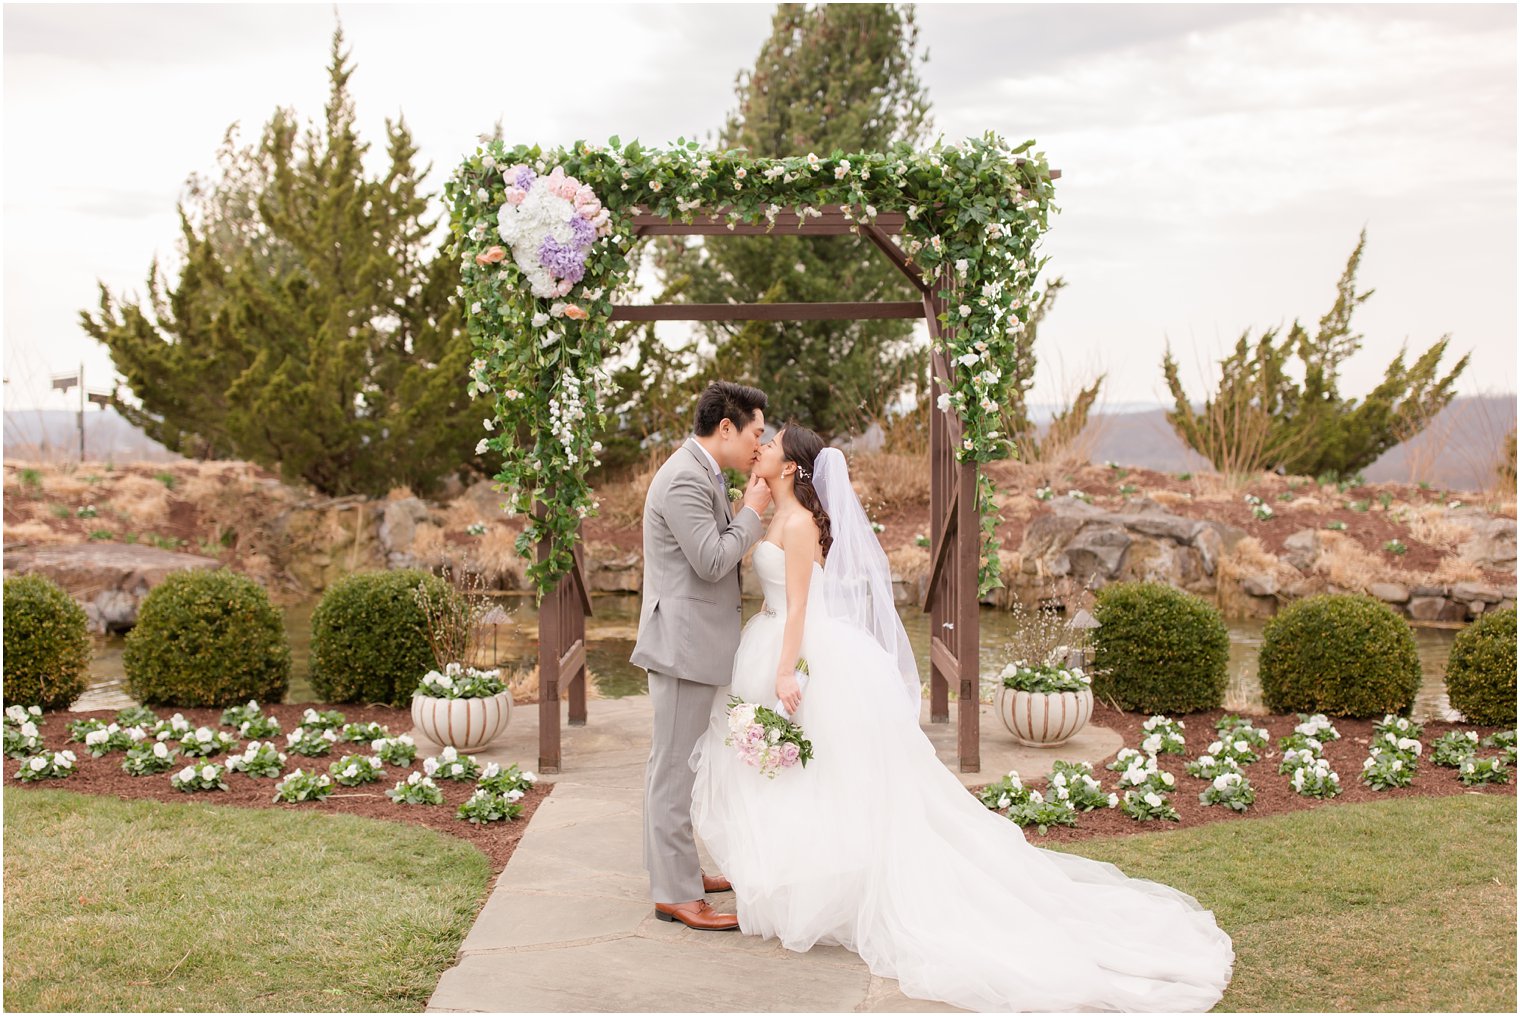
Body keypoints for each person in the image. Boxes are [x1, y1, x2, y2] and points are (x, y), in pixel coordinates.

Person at [689, 424, 1236, 1012]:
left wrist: (785, 671)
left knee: (808, 766)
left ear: (792, 466)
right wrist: (753, 497)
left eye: (769, 446)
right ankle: (798, 883)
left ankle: (823, 891)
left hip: (793, 652)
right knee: (794, 772)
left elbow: (798, 604)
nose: (760, 448)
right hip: (774, 640)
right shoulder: (777, 510)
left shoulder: (796, 525)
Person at [631, 380, 771, 931]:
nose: (760, 446)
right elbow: (713, 560)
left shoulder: (703, 471)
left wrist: (742, 504)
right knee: (670, 771)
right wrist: (754, 510)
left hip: (692, 641)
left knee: (678, 768)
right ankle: (675, 894)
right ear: (728, 428)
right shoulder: (685, 478)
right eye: (756, 434)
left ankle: (680, 874)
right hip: (681, 646)